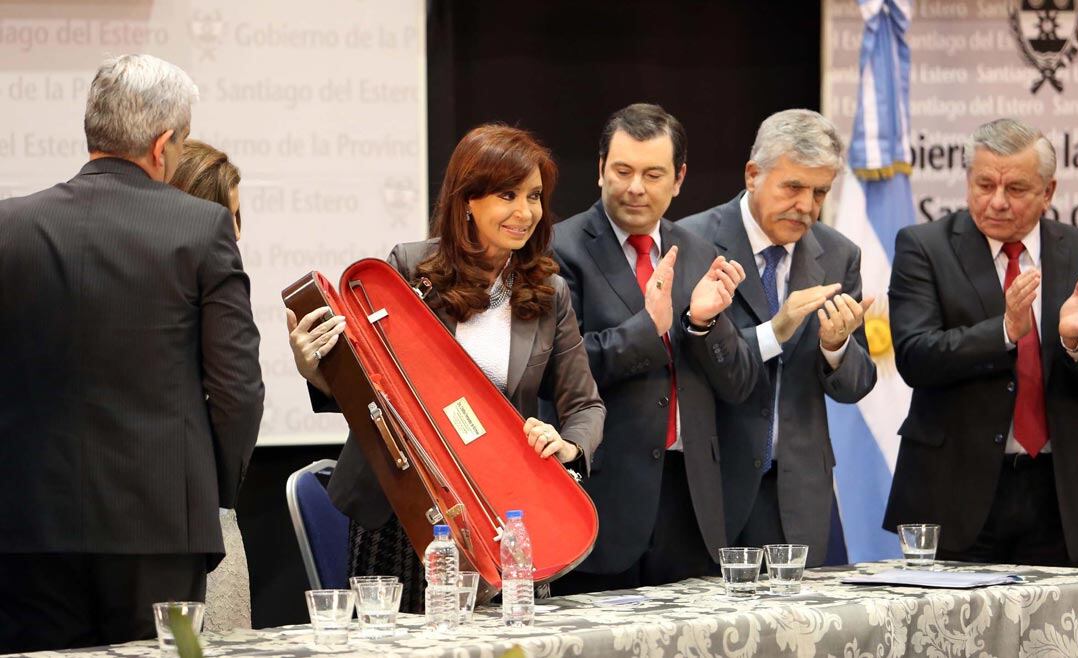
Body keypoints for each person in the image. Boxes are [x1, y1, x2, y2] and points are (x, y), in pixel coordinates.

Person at [0, 54, 264, 652]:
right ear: (163, 143)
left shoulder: (8, 226)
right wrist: (211, 492)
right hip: (161, 525)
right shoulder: (202, 228)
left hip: (26, 522)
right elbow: (236, 390)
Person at [286, 124, 605, 611]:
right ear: (468, 201)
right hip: (400, 504)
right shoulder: (409, 269)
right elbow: (366, 384)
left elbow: (585, 404)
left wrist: (570, 444)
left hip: (497, 512)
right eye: (507, 195)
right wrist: (313, 366)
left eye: (535, 196)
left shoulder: (549, 293)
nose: (525, 213)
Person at [883, 118, 1078, 567]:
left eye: (1017, 189)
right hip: (954, 492)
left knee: (1053, 638)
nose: (998, 201)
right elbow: (915, 356)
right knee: (952, 639)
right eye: (984, 184)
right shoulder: (924, 247)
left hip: (1056, 494)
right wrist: (1004, 331)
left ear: (1049, 191)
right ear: (967, 181)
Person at [551, 103, 758, 594]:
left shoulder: (700, 252)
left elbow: (740, 383)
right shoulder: (561, 249)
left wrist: (703, 324)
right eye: (622, 171)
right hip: (601, 494)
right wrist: (648, 328)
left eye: (653, 173)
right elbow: (562, 370)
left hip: (690, 499)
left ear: (679, 178)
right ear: (601, 168)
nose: (635, 187)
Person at [679, 109, 877, 567]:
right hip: (715, 488)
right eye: (793, 187)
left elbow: (855, 386)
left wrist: (836, 347)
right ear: (753, 175)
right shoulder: (693, 242)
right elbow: (697, 363)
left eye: (820, 192)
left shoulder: (839, 255)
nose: (806, 206)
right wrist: (775, 330)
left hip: (800, 491)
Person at [170, 139, 252, 631]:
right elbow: (239, 395)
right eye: (230, 218)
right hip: (205, 512)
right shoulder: (216, 281)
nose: (237, 235)